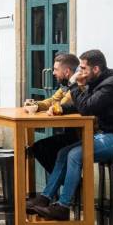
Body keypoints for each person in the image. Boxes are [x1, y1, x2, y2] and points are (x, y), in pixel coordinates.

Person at [31, 50, 113, 221]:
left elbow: (87, 109)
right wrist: (62, 109)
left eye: (83, 68)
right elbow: (84, 104)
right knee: (63, 152)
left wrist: (74, 84)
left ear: (96, 69)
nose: (79, 71)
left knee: (75, 155)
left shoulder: (111, 84)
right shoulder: (97, 81)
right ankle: (44, 199)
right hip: (110, 135)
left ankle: (63, 207)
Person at [27, 53, 81, 181]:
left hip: (80, 136)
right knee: (39, 147)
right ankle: (71, 184)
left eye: (56, 69)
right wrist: (35, 104)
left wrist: (53, 107)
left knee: (42, 148)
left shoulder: (76, 87)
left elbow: (60, 106)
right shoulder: (65, 85)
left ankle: (74, 185)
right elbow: (52, 100)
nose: (53, 73)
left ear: (67, 71)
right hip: (70, 134)